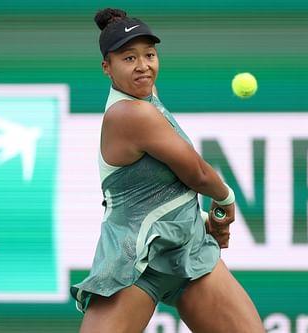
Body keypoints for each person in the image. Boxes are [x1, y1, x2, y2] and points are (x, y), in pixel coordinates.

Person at [71, 8, 266, 333]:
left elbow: (167, 187)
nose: (143, 66)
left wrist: (200, 218)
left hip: (187, 252)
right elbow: (197, 173)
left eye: (149, 54)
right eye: (129, 58)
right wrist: (225, 199)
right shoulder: (130, 115)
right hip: (134, 265)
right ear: (107, 67)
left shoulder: (148, 97)